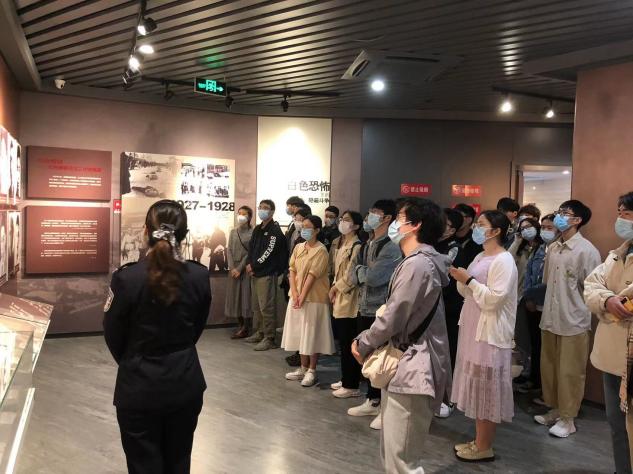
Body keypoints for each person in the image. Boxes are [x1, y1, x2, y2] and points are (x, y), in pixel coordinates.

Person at [103, 200, 211, 474]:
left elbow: (113, 333)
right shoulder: (198, 275)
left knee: (143, 465)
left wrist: (134, 360)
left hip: (139, 385)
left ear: (145, 232)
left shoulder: (127, 278)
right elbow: (197, 327)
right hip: (185, 381)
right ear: (185, 235)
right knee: (179, 462)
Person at [352, 197, 451, 474]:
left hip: (414, 367)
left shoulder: (418, 265)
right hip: (408, 363)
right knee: (396, 452)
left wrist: (364, 341)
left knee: (402, 458)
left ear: (415, 225)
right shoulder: (418, 262)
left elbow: (394, 315)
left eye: (400, 218)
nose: (395, 223)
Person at [450, 210, 518, 462]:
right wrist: (461, 279)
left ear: (496, 231)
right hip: (473, 327)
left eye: (481, 224)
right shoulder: (480, 255)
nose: (476, 228)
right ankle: (479, 440)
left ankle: (484, 446)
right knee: (477, 386)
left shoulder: (504, 260)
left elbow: (494, 300)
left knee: (487, 387)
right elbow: (468, 291)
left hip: (489, 332)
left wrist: (468, 280)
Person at [535, 199, 601, 438]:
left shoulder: (587, 251)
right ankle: (555, 409)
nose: (559, 216)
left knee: (570, 372)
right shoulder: (553, 247)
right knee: (550, 368)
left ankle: (568, 418)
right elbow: (546, 281)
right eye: (559, 212)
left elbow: (593, 288)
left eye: (565, 213)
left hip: (573, 321)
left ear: (577, 220)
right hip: (550, 318)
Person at [585, 191, 633, 474]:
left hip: (630, 352)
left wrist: (616, 299)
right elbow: (591, 285)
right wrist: (607, 300)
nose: (621, 219)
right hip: (610, 355)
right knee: (616, 423)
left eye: (626, 213)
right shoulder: (617, 254)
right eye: (619, 213)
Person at [347, 199, 402, 430]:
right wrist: (362, 271)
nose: (370, 216)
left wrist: (362, 271)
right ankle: (372, 399)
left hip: (380, 307)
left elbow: (373, 278)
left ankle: (382, 404)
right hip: (364, 304)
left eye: (375, 212)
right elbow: (353, 275)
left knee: (382, 358)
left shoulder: (391, 246)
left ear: (387, 218)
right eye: (370, 212)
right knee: (369, 356)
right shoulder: (369, 243)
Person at [282, 216, 335, 386]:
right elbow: (292, 269)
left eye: (307, 227)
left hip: (314, 299)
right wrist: (294, 293)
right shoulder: (299, 247)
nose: (303, 229)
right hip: (297, 296)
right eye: (303, 226)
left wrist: (302, 296)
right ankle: (303, 368)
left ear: (317, 230)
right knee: (300, 333)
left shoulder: (321, 250)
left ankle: (312, 370)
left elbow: (313, 275)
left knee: (312, 334)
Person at [519, 214, 558, 394]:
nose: (545, 231)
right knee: (535, 344)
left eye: (550, 228)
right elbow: (528, 274)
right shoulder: (539, 249)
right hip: (533, 304)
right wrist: (529, 297)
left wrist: (534, 294)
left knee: (548, 349)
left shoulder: (558, 250)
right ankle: (534, 380)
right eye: (543, 227)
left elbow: (551, 281)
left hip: (550, 305)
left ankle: (545, 387)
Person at [244, 200, 289, 351]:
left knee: (266, 307)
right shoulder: (258, 228)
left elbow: (268, 252)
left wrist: (254, 265)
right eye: (260, 207)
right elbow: (251, 248)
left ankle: (270, 338)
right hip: (255, 273)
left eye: (266, 208)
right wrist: (249, 264)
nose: (262, 210)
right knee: (257, 307)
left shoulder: (275, 231)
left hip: (267, 273)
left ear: (272, 211)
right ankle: (260, 332)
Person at [329, 211, 363, 398]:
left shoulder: (357, 245)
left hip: (349, 299)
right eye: (341, 219)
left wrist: (336, 288)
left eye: (347, 220)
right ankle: (345, 379)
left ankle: (352, 384)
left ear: (356, 226)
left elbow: (351, 275)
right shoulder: (342, 243)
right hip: (340, 297)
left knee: (349, 341)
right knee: (343, 342)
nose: (342, 222)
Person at [434, 208, 465, 419]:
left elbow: (444, 277)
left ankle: (448, 398)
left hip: (450, 307)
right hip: (434, 305)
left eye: (445, 224)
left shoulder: (453, 249)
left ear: (452, 230)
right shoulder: (433, 244)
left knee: (448, 352)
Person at [508, 215, 543, 387]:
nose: (525, 230)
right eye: (522, 228)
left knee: (533, 338)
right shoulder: (521, 249)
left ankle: (533, 373)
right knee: (521, 338)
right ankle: (527, 369)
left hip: (533, 298)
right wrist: (517, 240)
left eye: (529, 226)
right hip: (518, 297)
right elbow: (508, 259)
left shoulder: (541, 249)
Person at [226, 206, 254, 339]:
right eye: (239, 213)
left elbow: (250, 252)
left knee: (245, 298)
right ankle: (240, 325)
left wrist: (239, 268)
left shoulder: (253, 233)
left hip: (245, 268)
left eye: (244, 214)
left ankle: (246, 327)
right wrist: (232, 267)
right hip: (233, 269)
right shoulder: (233, 232)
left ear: (249, 217)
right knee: (234, 297)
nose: (241, 216)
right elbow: (229, 250)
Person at [453, 203, 483, 268]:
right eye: (453, 216)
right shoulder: (446, 236)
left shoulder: (477, 242)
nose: (454, 219)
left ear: (469, 220)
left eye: (458, 216)